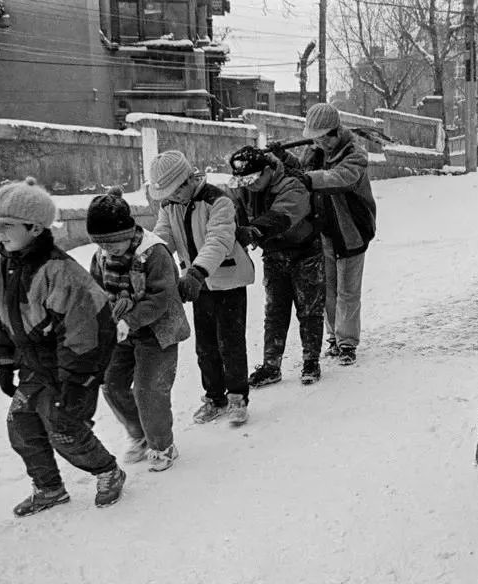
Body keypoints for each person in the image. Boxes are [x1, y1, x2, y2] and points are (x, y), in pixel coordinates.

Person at [0, 177, 125, 516]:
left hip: (72, 369)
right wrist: (4, 359)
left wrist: (78, 382)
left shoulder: (62, 273)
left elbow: (88, 330)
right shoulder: (2, 265)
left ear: (34, 227)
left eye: (8, 224)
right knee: (21, 424)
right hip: (33, 364)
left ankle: (107, 470)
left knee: (64, 427)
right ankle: (49, 488)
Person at [148, 150, 254, 426]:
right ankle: (214, 397)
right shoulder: (169, 205)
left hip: (227, 280)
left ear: (186, 180)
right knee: (205, 346)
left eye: (174, 191)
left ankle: (237, 397)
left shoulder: (218, 200)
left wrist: (196, 272)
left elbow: (218, 241)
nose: (171, 198)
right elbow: (163, 237)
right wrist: (146, 259)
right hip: (197, 285)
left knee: (230, 342)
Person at [87, 187, 189, 472]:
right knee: (111, 383)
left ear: (127, 232)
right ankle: (139, 434)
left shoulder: (154, 252)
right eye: (102, 244)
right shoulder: (101, 256)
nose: (108, 250)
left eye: (114, 244)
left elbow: (161, 298)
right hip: (122, 332)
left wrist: (128, 320)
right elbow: (95, 292)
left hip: (158, 331)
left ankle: (162, 444)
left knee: (149, 390)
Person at [273, 102, 376, 366]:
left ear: (334, 132)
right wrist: (283, 158)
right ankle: (334, 336)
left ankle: (348, 342)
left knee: (348, 291)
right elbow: (303, 171)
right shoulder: (315, 151)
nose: (319, 144)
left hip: (352, 230)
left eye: (323, 139)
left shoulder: (355, 153)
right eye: (315, 139)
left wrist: (309, 179)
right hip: (324, 230)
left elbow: (340, 178)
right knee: (328, 288)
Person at [225, 146, 321, 387]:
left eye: (253, 180)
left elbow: (283, 215)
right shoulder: (244, 190)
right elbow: (233, 213)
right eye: (243, 181)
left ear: (268, 170)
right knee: (275, 311)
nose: (248, 186)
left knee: (309, 309)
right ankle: (271, 365)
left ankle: (311, 361)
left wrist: (256, 230)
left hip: (304, 251)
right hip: (274, 254)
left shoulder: (292, 184)